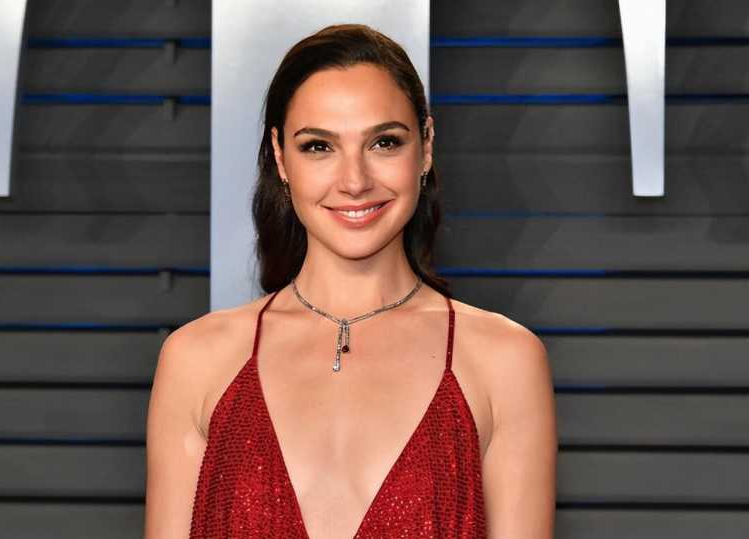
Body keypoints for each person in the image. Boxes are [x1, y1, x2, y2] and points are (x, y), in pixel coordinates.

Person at [144, 23, 556, 539]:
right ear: (280, 157)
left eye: (384, 142)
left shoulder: (504, 361)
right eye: (319, 146)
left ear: (426, 146)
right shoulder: (196, 360)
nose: (355, 181)